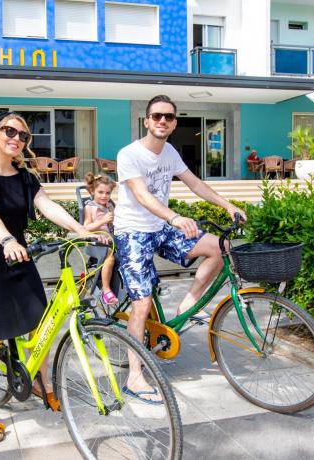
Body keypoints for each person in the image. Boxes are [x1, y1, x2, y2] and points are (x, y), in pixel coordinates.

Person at [0, 112, 93, 443]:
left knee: (40, 323)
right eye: (9, 131)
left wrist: (81, 230)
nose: (16, 138)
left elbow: (48, 207)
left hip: (19, 254)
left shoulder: (25, 178)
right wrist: (6, 241)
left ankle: (43, 383)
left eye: (23, 136)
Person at [113, 95, 247, 403]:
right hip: (133, 231)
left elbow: (195, 183)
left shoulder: (170, 152)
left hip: (161, 228)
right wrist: (174, 216)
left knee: (220, 246)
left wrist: (228, 205)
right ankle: (135, 376)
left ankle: (186, 304)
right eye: (157, 116)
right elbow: (142, 195)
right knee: (142, 304)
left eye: (169, 117)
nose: (163, 121)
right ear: (146, 121)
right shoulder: (129, 154)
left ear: (174, 123)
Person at [81, 172, 118, 305]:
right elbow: (86, 227)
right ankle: (106, 290)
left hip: (109, 240)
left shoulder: (110, 206)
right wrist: (102, 220)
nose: (104, 196)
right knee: (110, 256)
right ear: (93, 191)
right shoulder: (90, 207)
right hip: (95, 242)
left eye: (107, 193)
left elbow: (114, 225)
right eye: (100, 192)